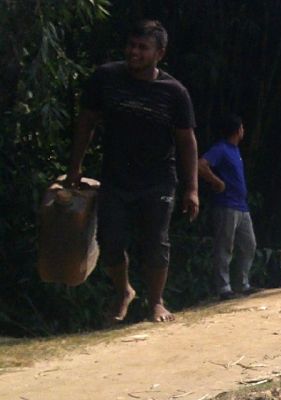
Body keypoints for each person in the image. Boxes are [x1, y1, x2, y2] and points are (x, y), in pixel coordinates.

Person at [66, 19, 198, 323]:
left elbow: (187, 142)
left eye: (143, 47)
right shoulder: (106, 78)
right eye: (131, 45)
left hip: (159, 180)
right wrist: (75, 167)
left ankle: (156, 302)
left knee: (156, 241)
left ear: (159, 53)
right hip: (115, 177)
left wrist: (192, 189)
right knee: (110, 239)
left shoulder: (174, 92)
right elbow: (86, 122)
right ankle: (124, 290)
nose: (134, 52)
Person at [199, 113, 257, 300]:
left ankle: (242, 283)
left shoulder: (234, 150)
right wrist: (216, 182)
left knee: (249, 244)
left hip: (241, 205)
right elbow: (201, 165)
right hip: (226, 205)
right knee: (225, 246)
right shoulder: (221, 149)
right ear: (238, 130)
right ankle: (224, 288)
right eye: (242, 127)